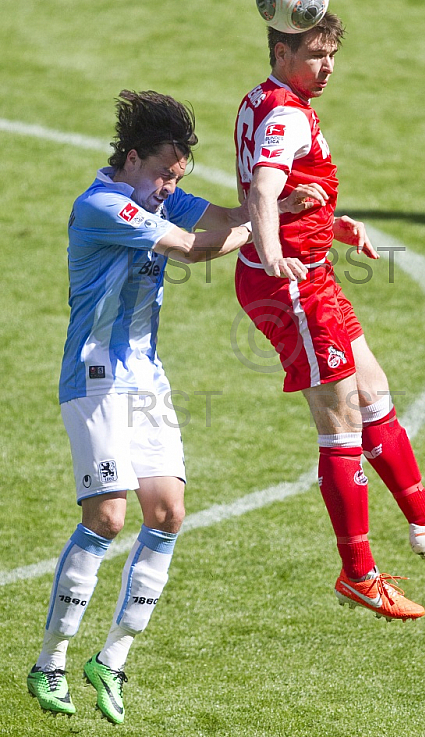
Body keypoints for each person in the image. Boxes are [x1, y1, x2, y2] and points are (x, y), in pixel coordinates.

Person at [234, 12, 425, 622]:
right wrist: (276, 253)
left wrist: (330, 225)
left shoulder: (265, 100)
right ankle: (358, 574)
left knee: (374, 391)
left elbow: (284, 187)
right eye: (314, 56)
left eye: (331, 56)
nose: (327, 69)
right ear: (281, 52)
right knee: (341, 426)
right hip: (292, 285)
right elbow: (263, 190)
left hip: (312, 273)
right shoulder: (285, 114)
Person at [27, 90, 257, 723]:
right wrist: (258, 227)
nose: (168, 188)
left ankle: (113, 660)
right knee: (107, 516)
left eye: (175, 177)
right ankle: (50, 660)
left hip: (145, 379)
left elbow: (223, 213)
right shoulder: (102, 205)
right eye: (161, 175)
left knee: (168, 512)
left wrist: (277, 204)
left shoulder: (159, 189)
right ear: (130, 158)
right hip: (95, 376)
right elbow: (195, 246)